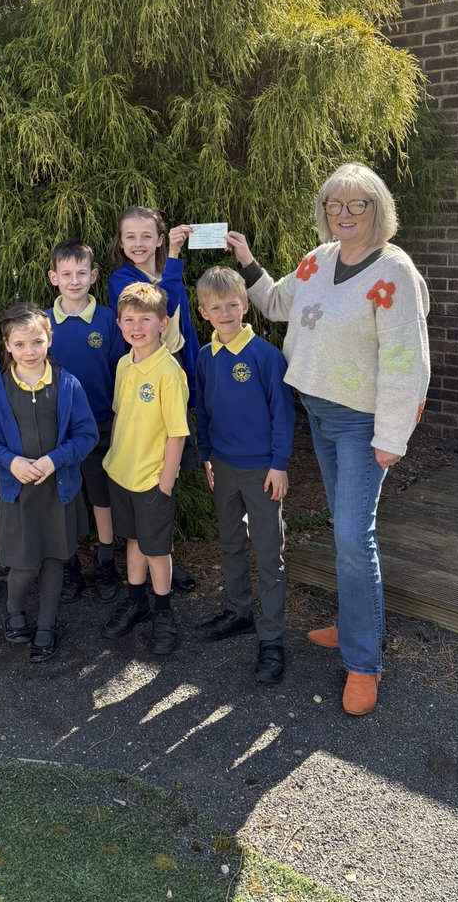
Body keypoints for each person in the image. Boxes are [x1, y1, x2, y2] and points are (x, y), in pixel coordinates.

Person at [229, 163, 430, 715]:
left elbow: (406, 362)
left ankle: (364, 662)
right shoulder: (318, 260)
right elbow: (275, 304)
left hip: (363, 424)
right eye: (334, 205)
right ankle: (352, 625)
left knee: (351, 537)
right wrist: (246, 260)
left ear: (377, 210)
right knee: (348, 532)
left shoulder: (395, 272)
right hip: (318, 412)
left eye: (356, 204)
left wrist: (393, 435)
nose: (343, 214)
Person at [0, 303, 98, 663]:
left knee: (55, 560)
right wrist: (10, 461)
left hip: (58, 492)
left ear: (49, 340)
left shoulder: (67, 384)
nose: (30, 351)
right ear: (7, 346)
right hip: (19, 495)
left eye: (37, 342)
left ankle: (47, 623)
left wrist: (53, 460)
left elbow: (86, 434)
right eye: (21, 344)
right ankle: (14, 609)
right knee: (25, 563)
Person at [193, 267, 295, 684]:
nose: (225, 313)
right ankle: (238, 612)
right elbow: (202, 409)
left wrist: (279, 464)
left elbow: (283, 414)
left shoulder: (265, 356)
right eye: (216, 307)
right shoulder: (204, 356)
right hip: (224, 466)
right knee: (231, 543)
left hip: (262, 471)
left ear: (245, 304)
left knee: (268, 552)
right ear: (203, 312)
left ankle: (272, 638)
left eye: (233, 304)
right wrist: (207, 457)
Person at [107, 205, 200, 592]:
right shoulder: (122, 278)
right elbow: (167, 304)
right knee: (146, 466)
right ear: (121, 242)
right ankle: (151, 558)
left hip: (171, 367)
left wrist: (195, 375)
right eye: (131, 237)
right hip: (144, 369)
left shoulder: (165, 270)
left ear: (160, 239)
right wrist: (175, 260)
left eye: (147, 236)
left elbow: (185, 325)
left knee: (166, 468)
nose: (139, 244)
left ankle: (162, 552)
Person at [101, 282, 189, 655]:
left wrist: (165, 482)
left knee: (156, 548)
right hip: (121, 472)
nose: (137, 327)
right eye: (129, 320)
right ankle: (137, 602)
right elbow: (123, 415)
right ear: (119, 323)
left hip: (153, 479)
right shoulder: (124, 363)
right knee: (134, 541)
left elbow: (177, 433)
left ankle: (163, 612)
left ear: (163, 322)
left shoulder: (169, 372)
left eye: (146, 320)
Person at [46, 237, 126, 602]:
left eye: (81, 273)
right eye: (66, 274)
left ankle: (106, 561)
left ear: (94, 276)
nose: (74, 280)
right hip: (56, 428)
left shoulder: (109, 319)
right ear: (53, 278)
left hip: (101, 424)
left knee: (101, 496)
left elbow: (120, 372)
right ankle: (68, 565)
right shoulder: (43, 324)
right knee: (64, 498)